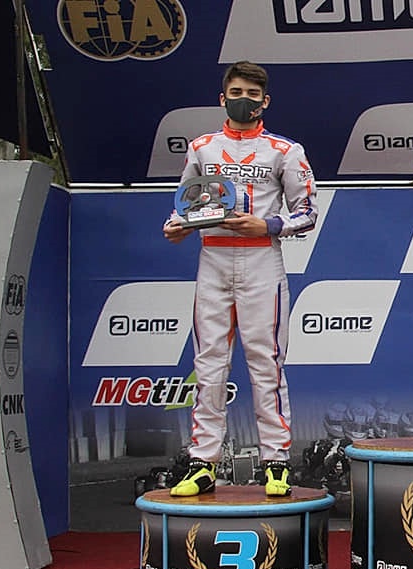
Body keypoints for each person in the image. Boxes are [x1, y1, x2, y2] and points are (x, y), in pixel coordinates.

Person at [163, 61, 318, 496]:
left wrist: (268, 225)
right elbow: (184, 204)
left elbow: (307, 213)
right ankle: (202, 463)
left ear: (264, 102)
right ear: (222, 98)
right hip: (212, 258)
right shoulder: (202, 147)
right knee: (208, 365)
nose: (243, 100)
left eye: (252, 93)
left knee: (266, 364)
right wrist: (176, 226)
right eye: (236, 92)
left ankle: (276, 463)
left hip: (261, 259)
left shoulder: (285, 150)